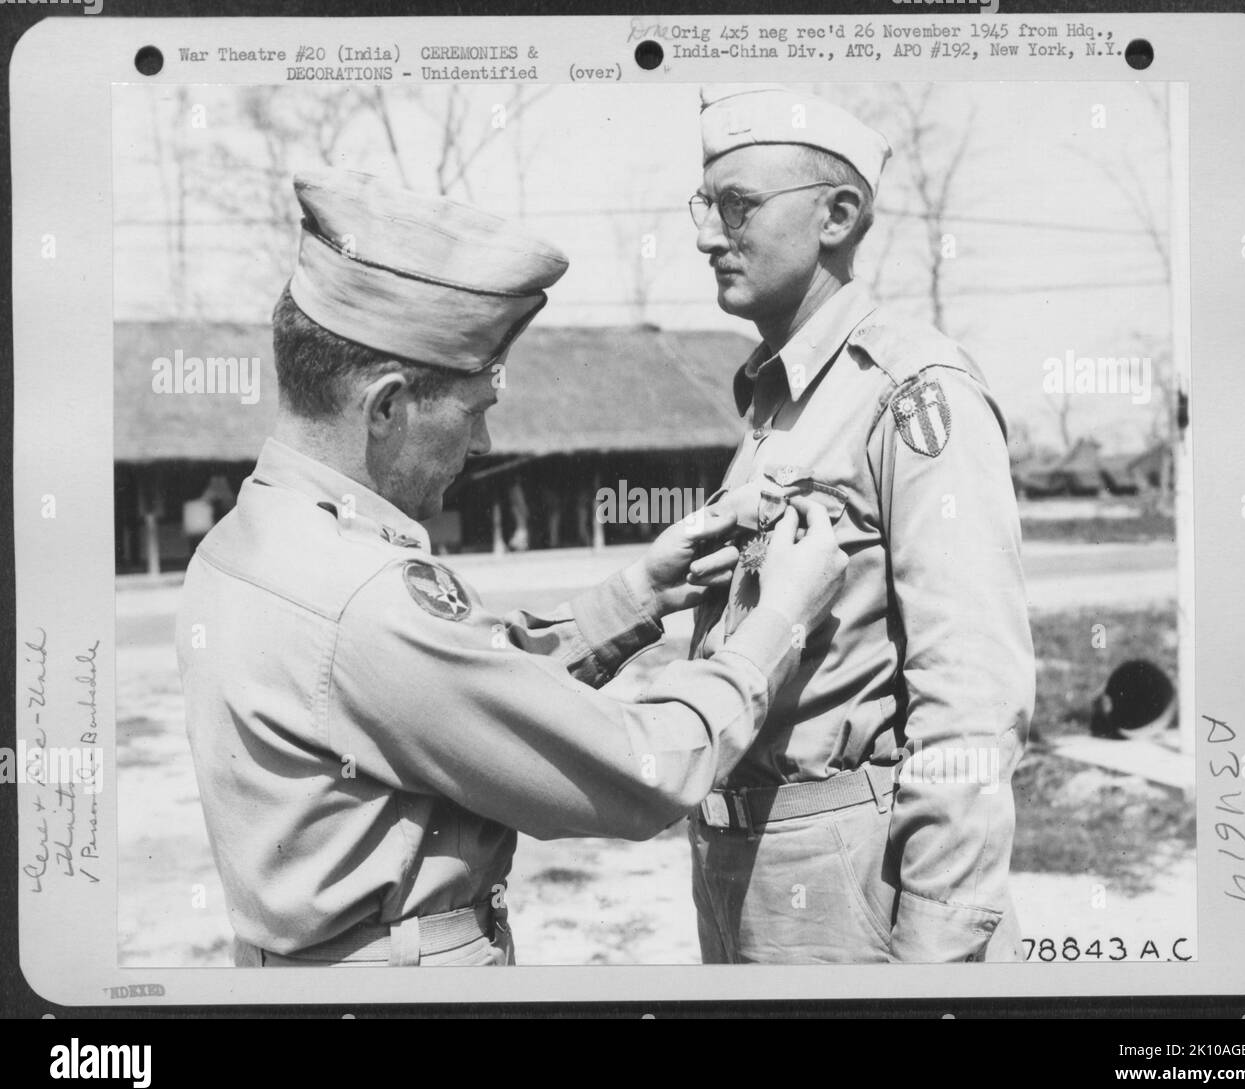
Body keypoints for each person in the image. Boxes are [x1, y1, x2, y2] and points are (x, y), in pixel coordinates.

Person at [175, 167, 847, 968]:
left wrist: (643, 593)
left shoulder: (248, 542)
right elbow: (645, 772)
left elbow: (449, 703)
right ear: (387, 406)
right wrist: (782, 620)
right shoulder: (366, 601)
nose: (484, 448)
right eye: (475, 412)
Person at [685, 85, 1036, 964]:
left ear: (837, 216)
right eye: (702, 203)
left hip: (847, 870)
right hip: (739, 860)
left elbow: (971, 695)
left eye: (737, 206)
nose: (703, 234)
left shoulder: (914, 389)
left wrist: (940, 949)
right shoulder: (775, 399)